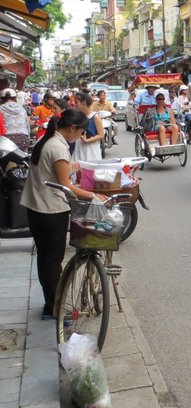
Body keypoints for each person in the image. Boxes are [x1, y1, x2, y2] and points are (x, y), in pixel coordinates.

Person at [20, 109, 107, 321]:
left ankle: (51, 304)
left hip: (35, 208)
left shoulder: (46, 139)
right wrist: (93, 196)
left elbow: (55, 172)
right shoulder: (58, 147)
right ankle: (55, 308)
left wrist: (77, 167)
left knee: (45, 258)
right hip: (49, 209)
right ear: (72, 128)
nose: (80, 137)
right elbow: (64, 185)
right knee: (52, 261)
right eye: (80, 132)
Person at [73, 92, 104, 162]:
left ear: (84, 102)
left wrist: (87, 140)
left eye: (76, 102)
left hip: (91, 149)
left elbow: (101, 135)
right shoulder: (76, 116)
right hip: (78, 147)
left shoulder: (95, 117)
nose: (75, 105)